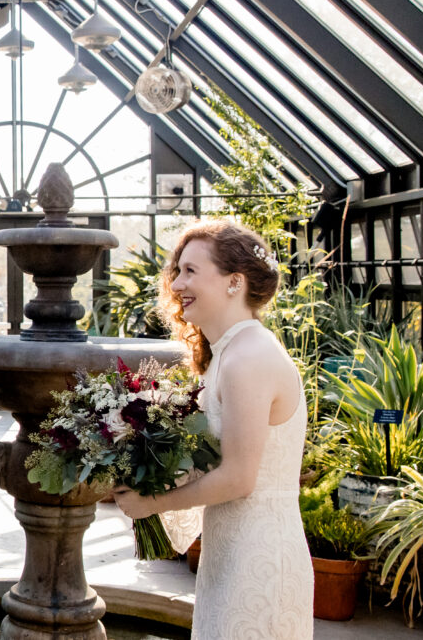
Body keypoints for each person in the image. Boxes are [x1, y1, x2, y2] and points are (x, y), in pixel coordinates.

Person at [113, 219, 313, 639]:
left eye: (190, 271)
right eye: (177, 271)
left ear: (233, 282)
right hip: (230, 548)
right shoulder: (229, 354)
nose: (176, 283)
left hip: (260, 555)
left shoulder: (250, 358)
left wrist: (154, 503)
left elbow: (239, 478)